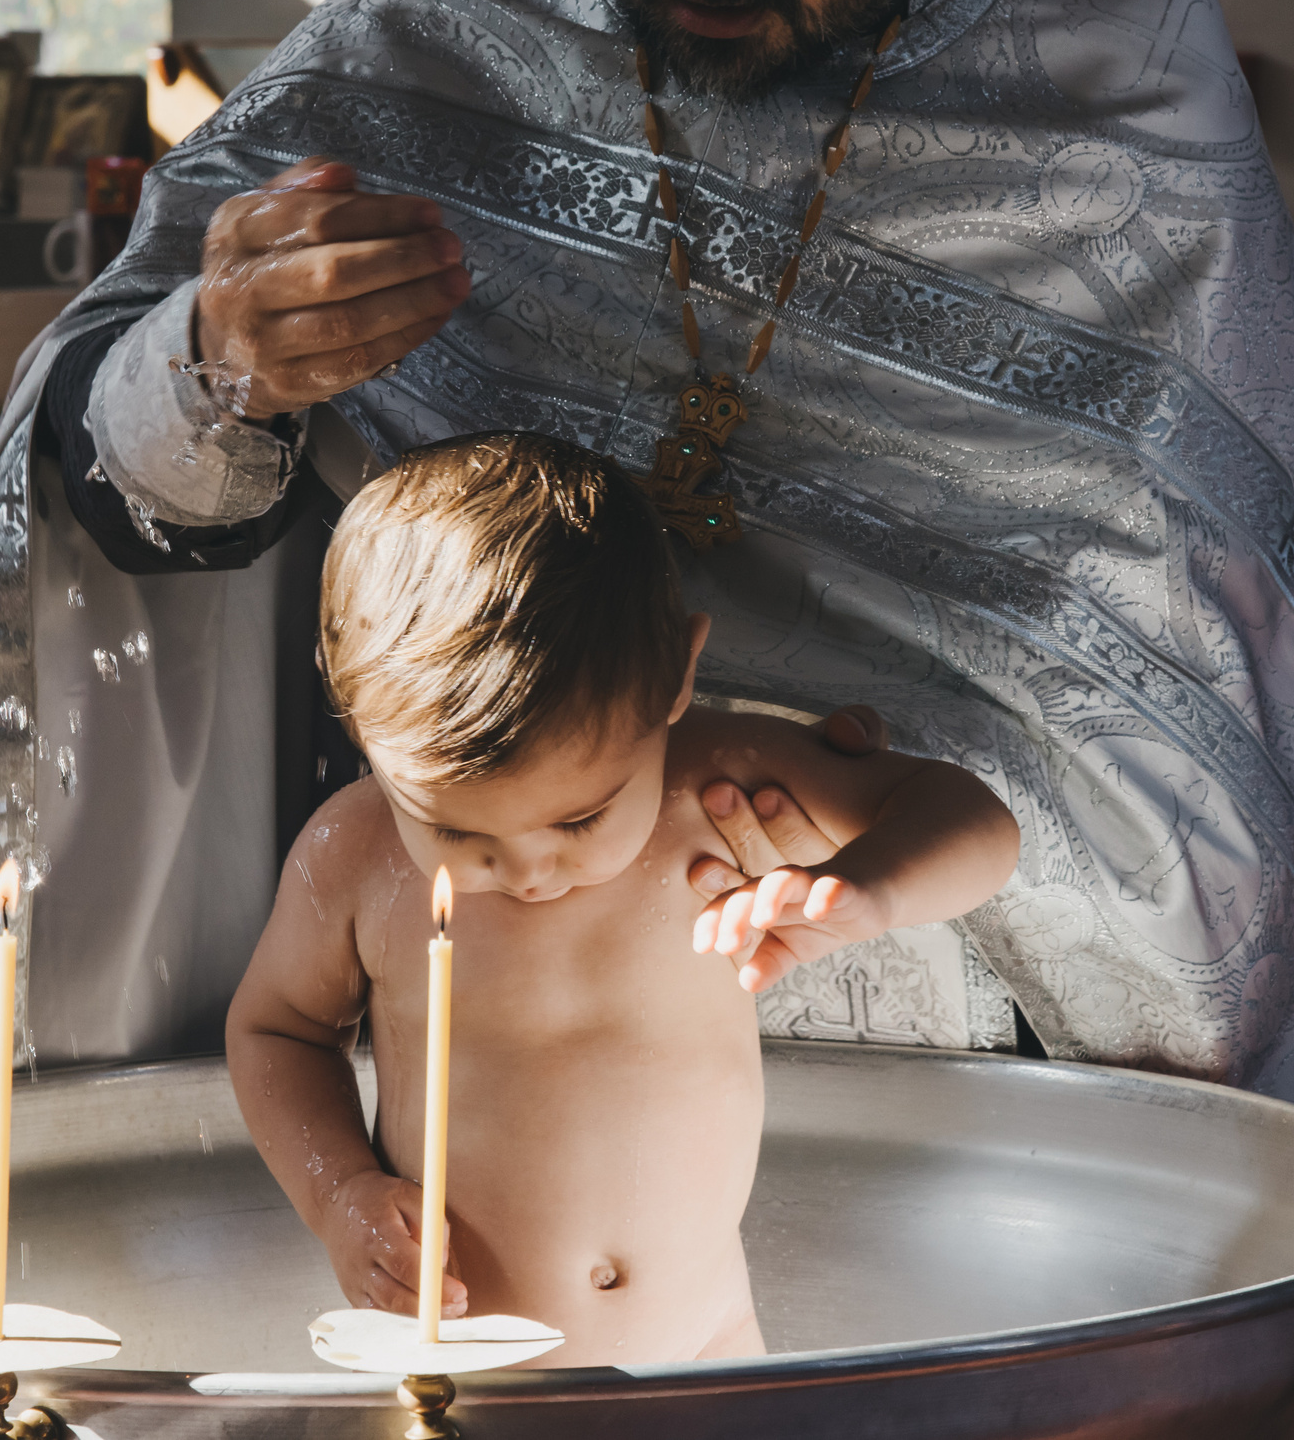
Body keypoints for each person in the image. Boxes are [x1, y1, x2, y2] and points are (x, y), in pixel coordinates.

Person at [0, 0, 1294, 1415]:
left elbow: (1176, 648)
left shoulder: (1101, 96)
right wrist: (217, 354)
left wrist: (876, 872)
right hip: (487, 1013)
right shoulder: (439, 48)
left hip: (999, 1046)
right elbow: (94, 454)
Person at [227, 431, 1017, 1363]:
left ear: (675, 677)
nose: (527, 871)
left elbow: (975, 822)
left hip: (708, 1350)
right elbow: (277, 1030)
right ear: (362, 728)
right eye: (458, 834)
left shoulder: (710, 790)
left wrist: (870, 889)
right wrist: (339, 1193)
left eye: (580, 817)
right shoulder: (356, 852)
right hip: (463, 1373)